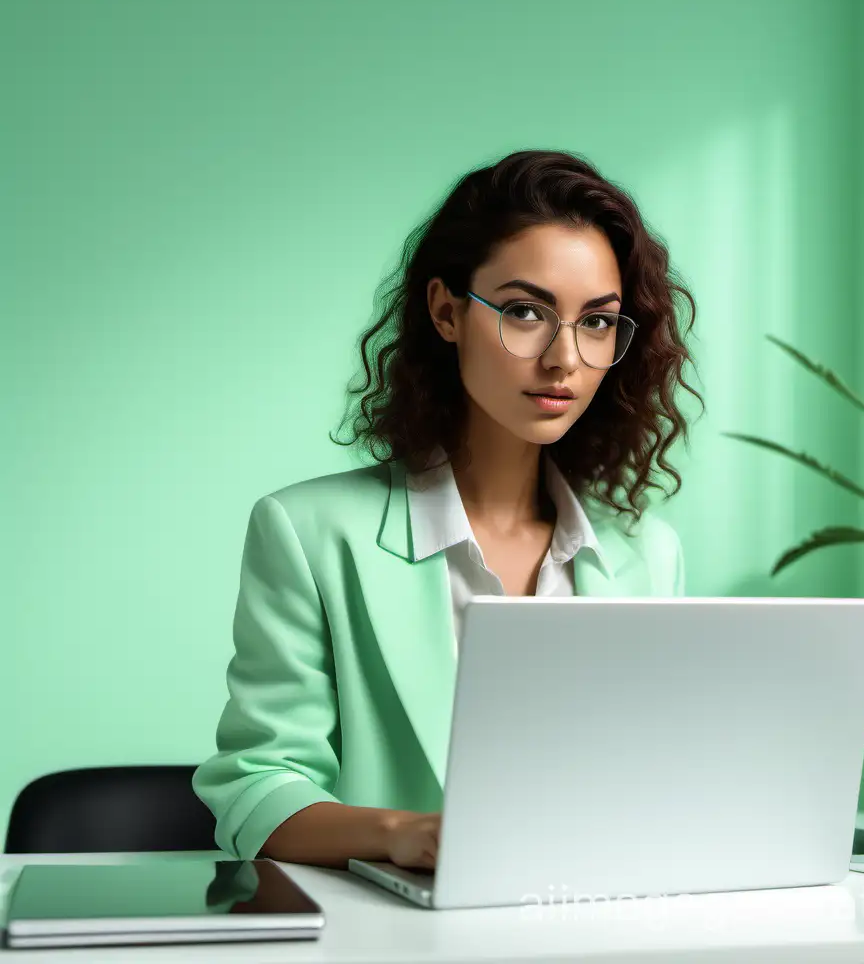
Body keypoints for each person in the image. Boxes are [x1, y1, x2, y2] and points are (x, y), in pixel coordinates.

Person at [192, 149, 702, 872]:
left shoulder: (649, 553)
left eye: (597, 323)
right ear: (446, 311)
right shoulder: (309, 533)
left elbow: (662, 783)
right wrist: (404, 834)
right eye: (526, 312)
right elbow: (258, 789)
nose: (564, 358)